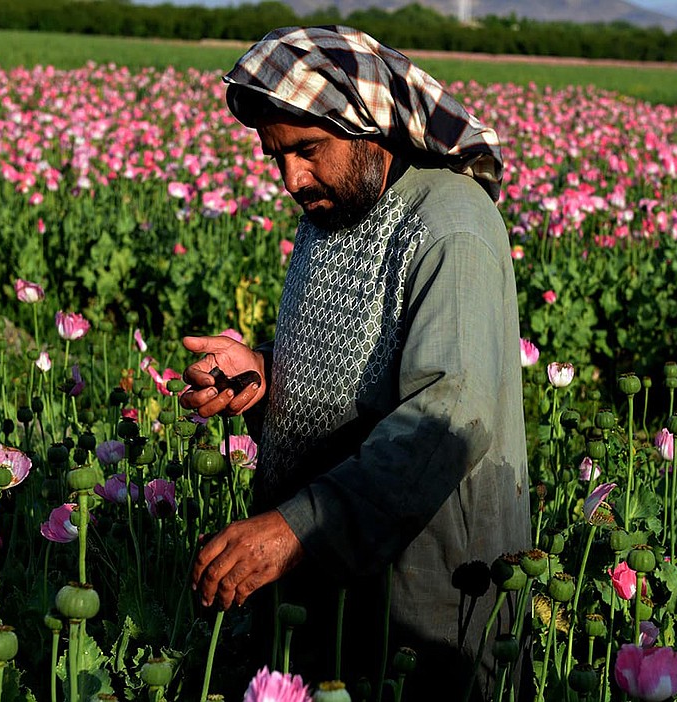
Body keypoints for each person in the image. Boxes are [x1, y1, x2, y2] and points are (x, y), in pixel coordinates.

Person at [180, 25, 530, 700]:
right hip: (332, 573)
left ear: (369, 126)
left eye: (308, 150)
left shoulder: (449, 227)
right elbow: (359, 368)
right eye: (274, 155)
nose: (290, 178)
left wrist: (298, 527)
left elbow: (447, 414)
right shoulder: (335, 210)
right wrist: (264, 377)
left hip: (423, 592)